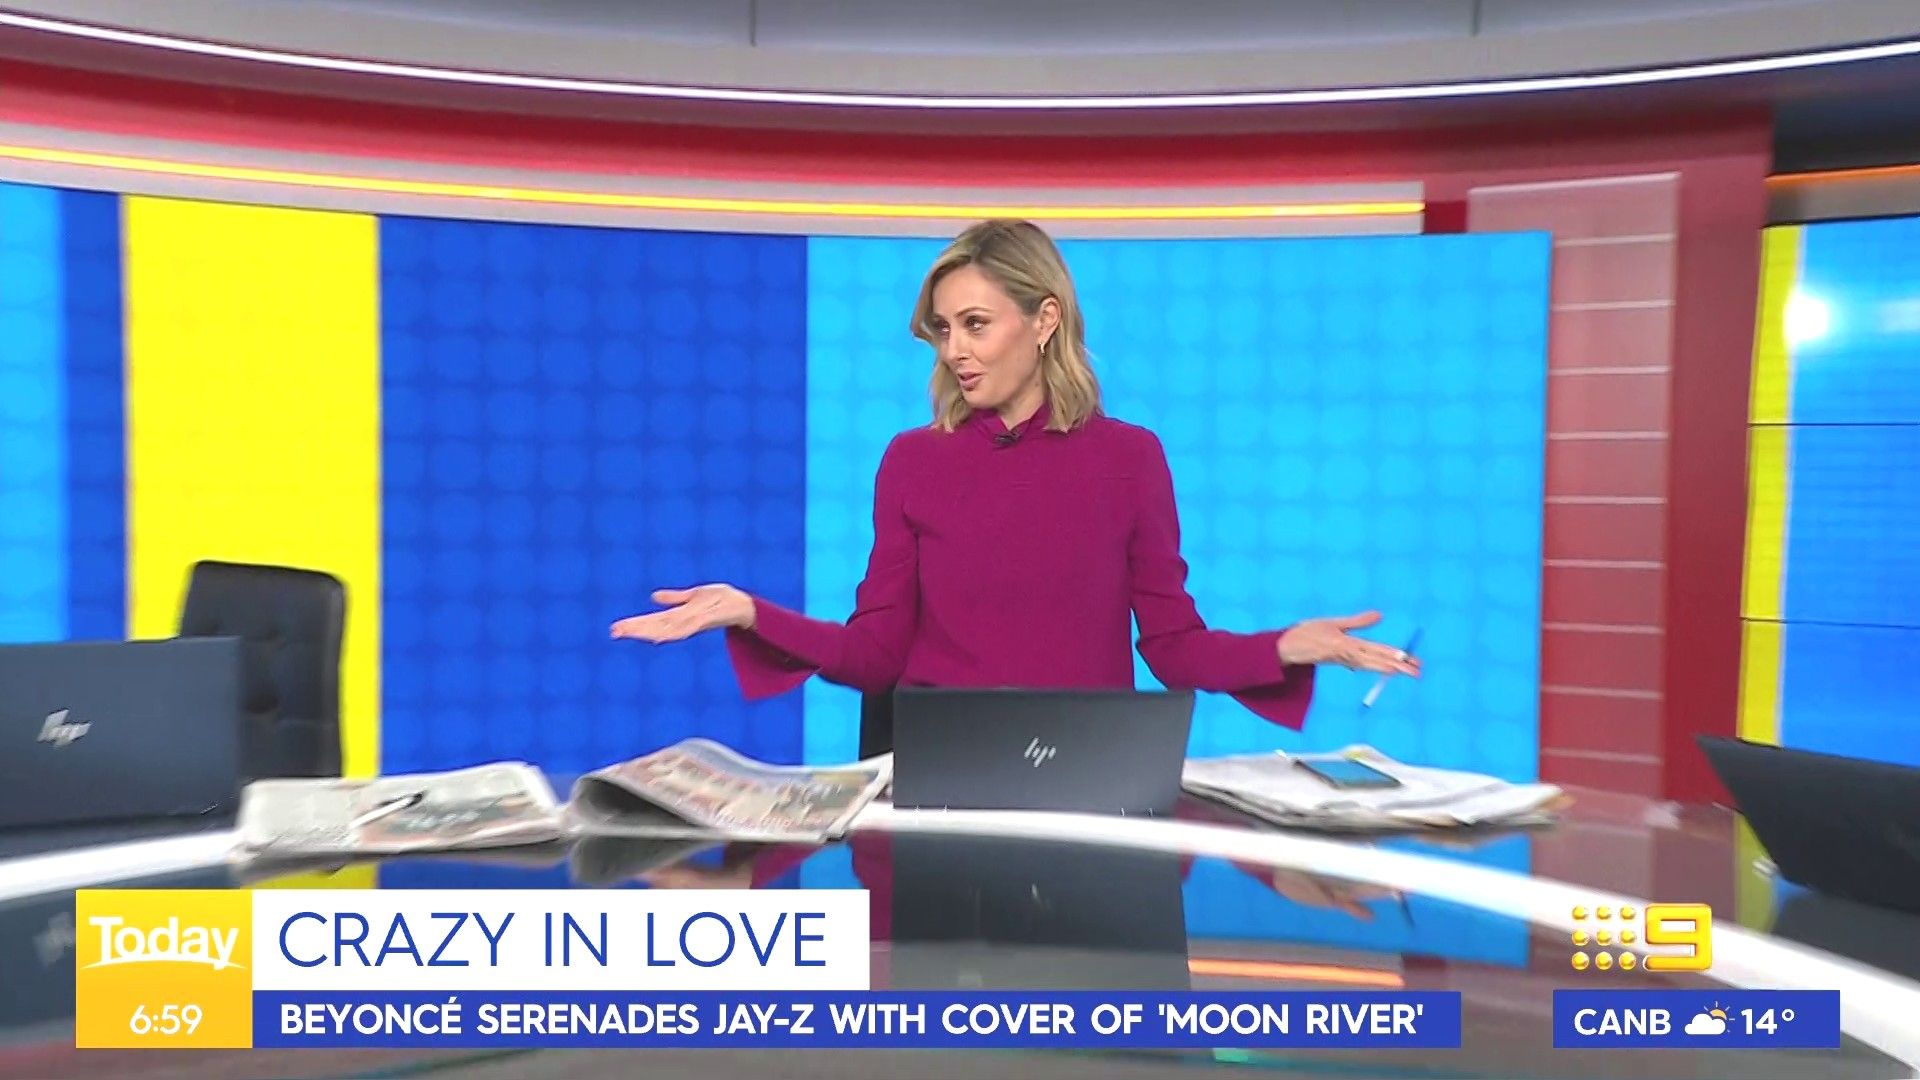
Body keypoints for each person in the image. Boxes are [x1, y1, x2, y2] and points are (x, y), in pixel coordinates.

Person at [612, 219, 1419, 740]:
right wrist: (751, 613)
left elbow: (1173, 649)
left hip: (1088, 785)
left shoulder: (1131, 458)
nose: (954, 350)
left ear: (1044, 321)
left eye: (975, 325)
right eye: (943, 330)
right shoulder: (912, 460)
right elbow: (874, 655)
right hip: (937, 785)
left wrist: (1285, 647)